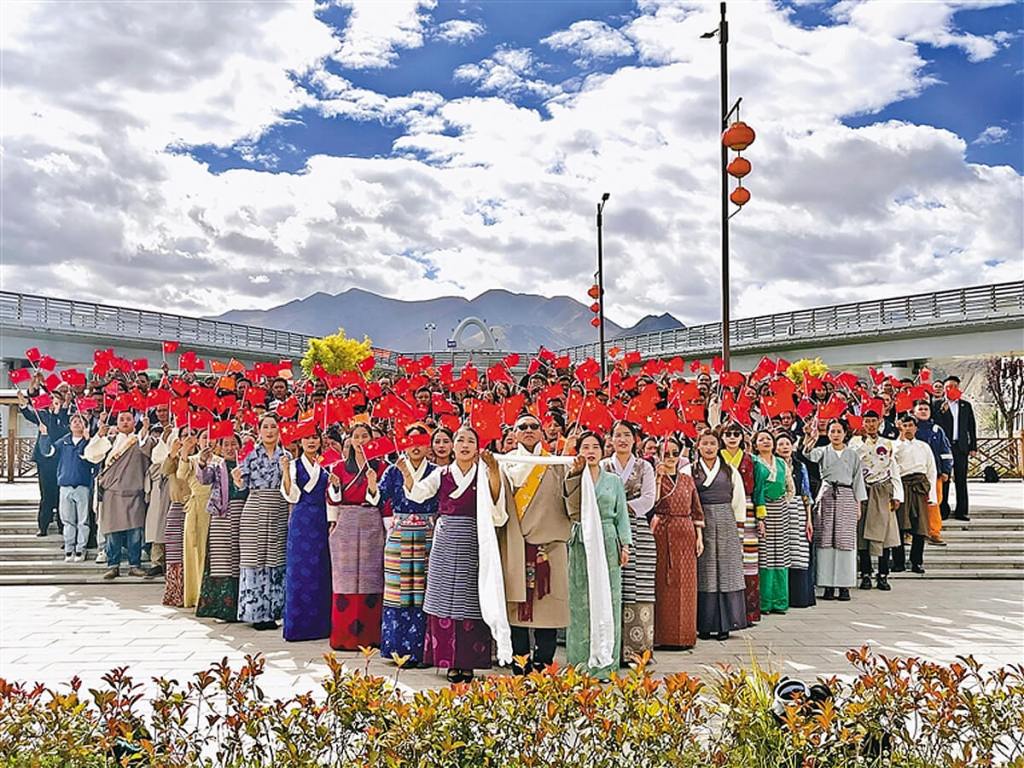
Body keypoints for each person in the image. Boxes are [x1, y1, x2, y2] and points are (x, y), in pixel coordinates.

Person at [403, 427, 503, 684]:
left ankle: (468, 662)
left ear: (478, 447)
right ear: (453, 446)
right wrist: (406, 474)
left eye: (470, 441)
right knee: (443, 598)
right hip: (446, 538)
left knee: (471, 598)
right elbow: (418, 494)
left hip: (474, 537)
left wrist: (493, 471)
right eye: (461, 440)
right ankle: (449, 661)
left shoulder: (483, 473)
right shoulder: (442, 473)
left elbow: (496, 502)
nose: (465, 445)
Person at [496, 413, 572, 675]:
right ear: (514, 433)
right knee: (516, 609)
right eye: (522, 427)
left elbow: (573, 503)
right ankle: (520, 665)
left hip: (550, 548)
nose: (528, 430)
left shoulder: (556, 464)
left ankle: (544, 665)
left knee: (548, 613)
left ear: (542, 432)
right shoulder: (505, 465)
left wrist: (577, 471)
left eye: (533, 426)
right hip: (516, 547)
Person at [369, 424, 437, 667]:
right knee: (398, 593)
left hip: (428, 537)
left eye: (421, 441)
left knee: (425, 592)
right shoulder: (392, 470)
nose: (415, 446)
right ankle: (398, 649)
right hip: (399, 536)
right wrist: (371, 484)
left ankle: (424, 650)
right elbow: (378, 498)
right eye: (411, 441)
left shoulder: (436, 472)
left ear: (428, 446)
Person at [564, 432, 631, 680]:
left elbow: (622, 514)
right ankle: (579, 663)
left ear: (603, 451)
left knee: (610, 599)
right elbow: (567, 508)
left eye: (595, 447)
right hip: (581, 539)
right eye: (585, 447)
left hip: (607, 538)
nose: (590, 451)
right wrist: (573, 476)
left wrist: (625, 545)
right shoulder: (572, 477)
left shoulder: (613, 481)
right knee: (579, 600)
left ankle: (606, 664)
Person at [326, 423, 386, 650]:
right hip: (346, 523)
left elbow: (382, 501)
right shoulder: (340, 467)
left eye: (365, 436)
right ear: (349, 440)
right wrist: (335, 487)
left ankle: (371, 636)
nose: (360, 441)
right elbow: (332, 500)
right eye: (356, 437)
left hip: (372, 520)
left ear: (372, 439)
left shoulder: (382, 467)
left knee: (372, 576)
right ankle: (344, 637)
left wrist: (372, 484)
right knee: (344, 578)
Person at [601, 421, 656, 664]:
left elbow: (648, 499)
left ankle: (637, 651)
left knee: (638, 589)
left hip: (638, 530)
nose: (622, 439)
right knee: (610, 587)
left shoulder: (645, 467)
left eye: (627, 435)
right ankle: (609, 650)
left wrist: (619, 508)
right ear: (610, 439)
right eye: (617, 435)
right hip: (608, 529)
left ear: (635, 439)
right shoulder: (603, 466)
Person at [231, 414, 290, 630]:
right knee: (254, 558)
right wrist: (236, 478)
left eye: (273, 426)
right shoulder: (250, 455)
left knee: (276, 559)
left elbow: (289, 488)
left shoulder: (286, 456)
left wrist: (286, 470)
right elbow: (241, 486)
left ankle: (273, 613)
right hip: (255, 506)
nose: (270, 431)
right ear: (259, 430)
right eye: (265, 427)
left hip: (278, 507)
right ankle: (254, 613)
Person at [688, 429, 748, 640]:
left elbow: (738, 501)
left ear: (718, 446)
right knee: (704, 572)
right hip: (699, 521)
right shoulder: (689, 470)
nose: (709, 447)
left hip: (726, 520)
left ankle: (725, 625)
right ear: (698, 446)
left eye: (712, 443)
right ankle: (704, 625)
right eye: (704, 443)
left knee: (727, 572)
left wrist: (738, 528)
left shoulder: (730, 471)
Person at [801, 419, 866, 601]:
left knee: (845, 541)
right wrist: (809, 436)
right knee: (825, 540)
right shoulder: (823, 451)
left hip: (846, 495)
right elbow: (808, 454)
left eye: (839, 431)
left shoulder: (853, 455)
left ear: (845, 433)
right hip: (828, 493)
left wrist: (858, 505)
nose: (836, 435)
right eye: (832, 431)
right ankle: (827, 585)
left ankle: (844, 586)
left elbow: (858, 480)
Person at [84, 411, 153, 580]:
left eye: (129, 419)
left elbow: (150, 451)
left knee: (135, 532)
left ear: (134, 422)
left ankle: (134, 565)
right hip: (112, 492)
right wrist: (99, 436)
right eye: (122, 419)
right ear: (117, 422)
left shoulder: (141, 439)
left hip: (135, 492)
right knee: (112, 532)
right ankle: (113, 565)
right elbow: (91, 456)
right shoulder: (111, 440)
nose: (125, 422)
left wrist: (145, 430)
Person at [651, 436, 703, 649]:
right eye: (666, 454)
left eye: (674, 453)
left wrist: (699, 537)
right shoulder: (655, 477)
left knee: (687, 584)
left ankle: (685, 636)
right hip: (662, 530)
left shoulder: (687, 480)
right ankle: (663, 635)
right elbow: (653, 503)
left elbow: (696, 509)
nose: (671, 457)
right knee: (663, 581)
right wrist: (657, 479)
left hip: (686, 531)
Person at [280, 432, 333, 642]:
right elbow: (291, 495)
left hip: (322, 518)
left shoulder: (328, 464)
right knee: (299, 571)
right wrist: (285, 471)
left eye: (314, 438)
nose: (311, 442)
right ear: (300, 442)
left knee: (321, 570)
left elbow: (333, 495)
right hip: (301, 520)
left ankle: (321, 625)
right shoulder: (293, 465)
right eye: (307, 438)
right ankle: (298, 627)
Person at [849, 411, 903, 591]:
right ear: (862, 423)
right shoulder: (855, 443)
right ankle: (865, 573)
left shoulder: (887, 443)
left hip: (882, 489)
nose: (871, 424)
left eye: (874, 421)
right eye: (867, 421)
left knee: (884, 534)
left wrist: (897, 495)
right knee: (862, 535)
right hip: (863, 489)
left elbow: (894, 468)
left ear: (879, 422)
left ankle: (883, 574)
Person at [195, 433, 247, 621]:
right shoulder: (217, 466)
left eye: (234, 444)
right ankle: (222, 607)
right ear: (220, 448)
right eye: (226, 444)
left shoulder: (247, 466)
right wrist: (202, 462)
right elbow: (203, 478)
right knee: (222, 561)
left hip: (244, 513)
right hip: (221, 516)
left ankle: (242, 606)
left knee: (240, 558)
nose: (230, 448)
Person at [37, 414, 96, 562]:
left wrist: (88, 441)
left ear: (85, 426)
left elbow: (93, 459)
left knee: (83, 520)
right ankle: (69, 548)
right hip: (65, 485)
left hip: (83, 485)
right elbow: (48, 452)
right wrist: (44, 435)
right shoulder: (63, 442)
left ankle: (81, 548)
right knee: (67, 520)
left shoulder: (89, 442)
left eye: (80, 421)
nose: (77, 423)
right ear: (69, 426)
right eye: (74, 421)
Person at [720, 424, 761, 625]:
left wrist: (761, 516)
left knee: (749, 563)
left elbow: (759, 488)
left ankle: (749, 612)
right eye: (728, 434)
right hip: (721, 508)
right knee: (725, 561)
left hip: (748, 510)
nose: (732, 437)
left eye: (736, 434)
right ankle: (726, 612)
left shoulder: (752, 460)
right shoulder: (716, 459)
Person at [18, 386, 69, 537]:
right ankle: (43, 526)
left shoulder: (65, 416)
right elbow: (29, 414)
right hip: (45, 461)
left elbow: (60, 431)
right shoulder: (42, 415)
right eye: (51, 398)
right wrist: (23, 404)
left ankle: (62, 526)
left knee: (60, 494)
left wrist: (58, 412)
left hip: (60, 460)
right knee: (46, 494)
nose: (53, 401)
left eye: (56, 399)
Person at [752, 430, 793, 615]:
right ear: (755, 444)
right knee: (765, 554)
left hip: (781, 510)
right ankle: (765, 602)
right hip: (763, 509)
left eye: (769, 439)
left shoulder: (782, 463)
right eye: (761, 439)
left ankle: (780, 601)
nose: (766, 442)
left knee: (781, 554)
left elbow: (790, 487)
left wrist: (785, 501)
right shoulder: (754, 462)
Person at [892, 414, 937, 575]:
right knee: (899, 525)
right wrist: (895, 494)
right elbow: (892, 469)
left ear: (916, 428)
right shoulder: (894, 446)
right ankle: (898, 562)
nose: (908, 429)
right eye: (905, 426)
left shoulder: (924, 447)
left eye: (911, 425)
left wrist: (932, 496)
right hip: (902, 485)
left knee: (920, 526)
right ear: (900, 427)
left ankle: (916, 562)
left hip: (919, 486)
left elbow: (931, 471)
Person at [775, 434, 815, 608]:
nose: (785, 447)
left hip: (798, 508)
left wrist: (809, 519)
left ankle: (799, 596)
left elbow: (806, 493)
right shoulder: (773, 465)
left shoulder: (800, 466)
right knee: (781, 552)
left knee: (798, 552)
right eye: (781, 444)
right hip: (778, 507)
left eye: (787, 443)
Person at [934, 376, 977, 522]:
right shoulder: (937, 405)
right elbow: (935, 424)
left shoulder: (965, 405)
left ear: (958, 388)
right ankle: (943, 509)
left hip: (960, 446)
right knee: (944, 478)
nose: (951, 389)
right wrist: (942, 411)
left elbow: (971, 426)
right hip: (944, 447)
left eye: (954, 386)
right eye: (948, 386)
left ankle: (962, 511)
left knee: (961, 479)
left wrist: (973, 446)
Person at [159, 431, 193, 606]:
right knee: (175, 553)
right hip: (177, 506)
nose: (188, 438)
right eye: (184, 435)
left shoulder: (199, 458)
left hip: (195, 507)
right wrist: (174, 452)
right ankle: (176, 592)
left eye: (192, 434)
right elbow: (164, 471)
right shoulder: (174, 459)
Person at [181, 432, 214, 609]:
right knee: (195, 550)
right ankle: (195, 594)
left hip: (216, 507)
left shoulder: (219, 460)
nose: (208, 440)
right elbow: (180, 474)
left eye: (211, 437)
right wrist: (185, 451)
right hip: (196, 507)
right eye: (204, 437)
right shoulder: (192, 460)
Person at [913, 400, 953, 546]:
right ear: (914, 412)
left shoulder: (937, 430)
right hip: (913, 475)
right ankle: (911, 533)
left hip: (934, 474)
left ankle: (934, 533)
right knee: (913, 504)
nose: (923, 411)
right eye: (920, 409)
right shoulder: (908, 428)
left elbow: (946, 451)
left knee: (934, 503)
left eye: (926, 409)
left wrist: (946, 470)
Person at [143, 427, 174, 577]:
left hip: (177, 487)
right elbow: (157, 459)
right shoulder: (159, 447)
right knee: (157, 524)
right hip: (158, 487)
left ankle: (172, 562)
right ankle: (157, 561)